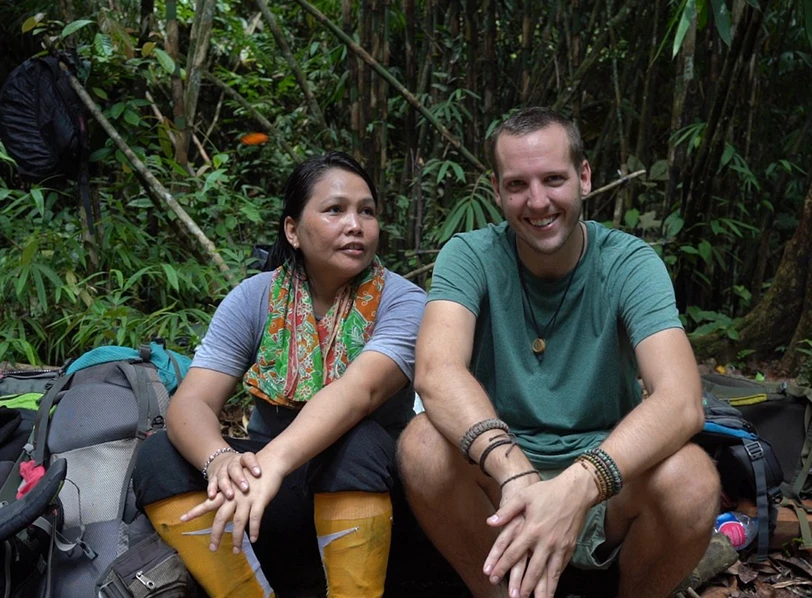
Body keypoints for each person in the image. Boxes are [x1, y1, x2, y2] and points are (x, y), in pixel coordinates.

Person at [396, 107, 721, 598]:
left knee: (694, 479)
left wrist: (575, 488)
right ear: (496, 189)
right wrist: (515, 474)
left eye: (553, 179)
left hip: (605, 484)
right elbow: (437, 373)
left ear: (584, 176)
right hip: (501, 479)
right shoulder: (470, 255)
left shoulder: (629, 263)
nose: (538, 201)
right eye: (518, 185)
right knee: (421, 445)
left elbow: (680, 400)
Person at [132, 151, 426, 598]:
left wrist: (271, 463)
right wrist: (222, 461)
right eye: (335, 210)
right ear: (293, 230)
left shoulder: (404, 302)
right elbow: (191, 403)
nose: (356, 224)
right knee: (159, 457)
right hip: (273, 492)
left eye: (367, 211)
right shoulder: (255, 297)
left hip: (371, 490)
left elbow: (359, 391)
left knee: (358, 439)